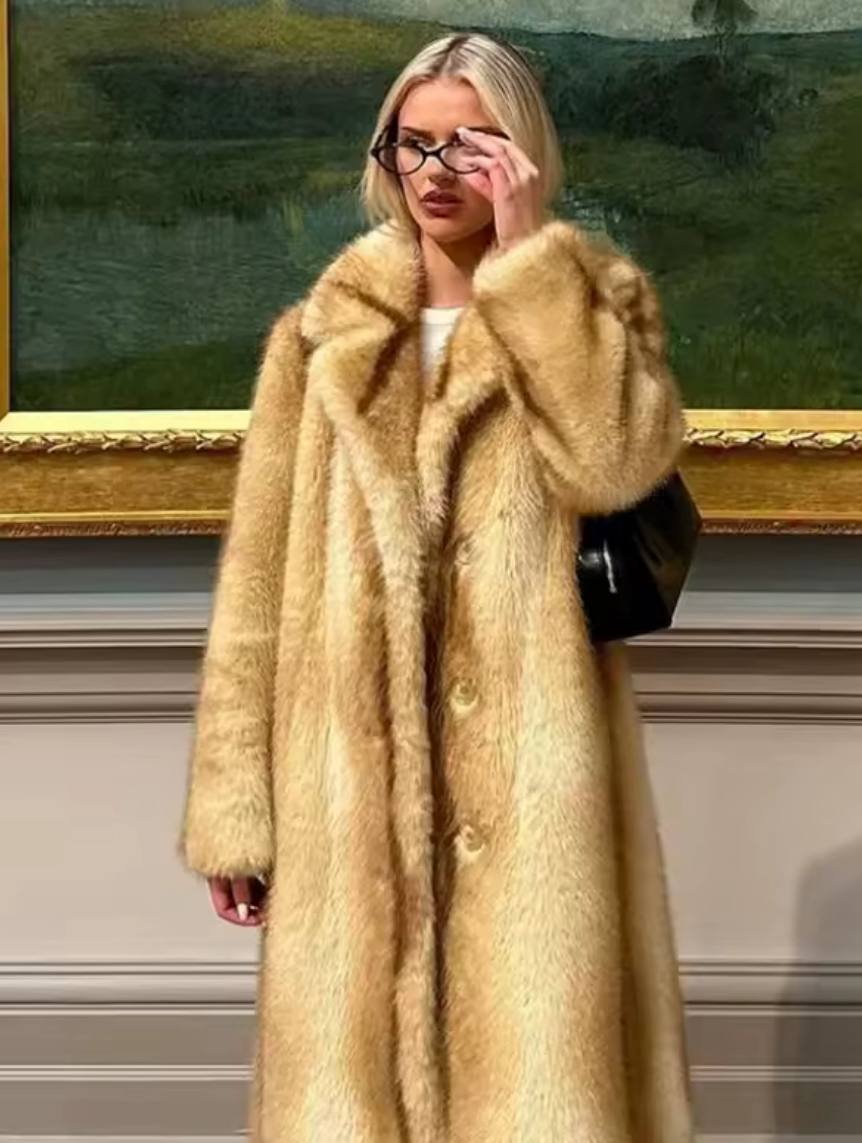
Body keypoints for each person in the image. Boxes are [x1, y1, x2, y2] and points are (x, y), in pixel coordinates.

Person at [177, 30, 695, 1143]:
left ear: (520, 151)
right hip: (345, 803)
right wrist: (235, 810)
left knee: (538, 1087)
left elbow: (614, 463)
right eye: (412, 145)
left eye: (468, 144)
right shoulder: (321, 337)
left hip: (535, 787)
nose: (435, 171)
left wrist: (527, 263)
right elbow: (256, 587)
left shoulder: (592, 305)